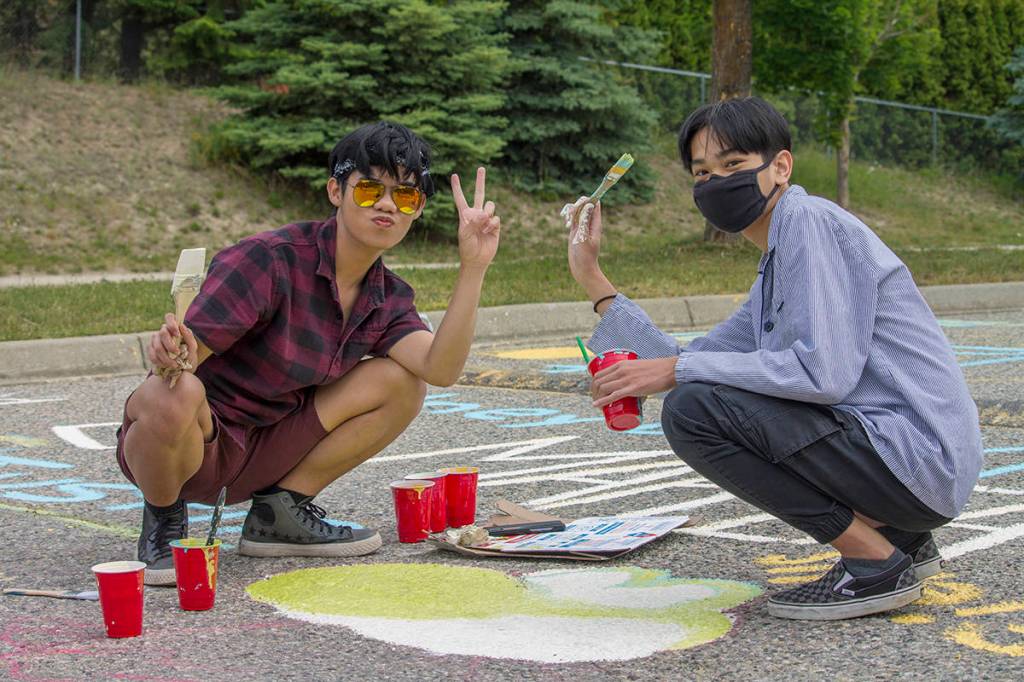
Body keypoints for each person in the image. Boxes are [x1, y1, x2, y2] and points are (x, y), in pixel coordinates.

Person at [566, 97, 982, 620]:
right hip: (906, 466)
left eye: (733, 165)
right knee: (699, 397)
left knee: (693, 412)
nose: (716, 182)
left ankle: (875, 561)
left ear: (779, 166)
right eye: (702, 173)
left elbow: (821, 374)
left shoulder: (809, 223)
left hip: (918, 459)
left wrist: (675, 371)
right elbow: (689, 360)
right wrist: (592, 276)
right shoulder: (777, 262)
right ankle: (902, 540)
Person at [117, 121, 502, 585]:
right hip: (198, 447)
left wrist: (474, 267)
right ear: (335, 191)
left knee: (401, 382)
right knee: (168, 393)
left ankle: (279, 512)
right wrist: (170, 355)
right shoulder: (270, 259)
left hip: (270, 449)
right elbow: (182, 363)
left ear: (416, 210)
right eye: (368, 190)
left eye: (405, 196)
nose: (386, 204)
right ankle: (163, 522)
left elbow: (440, 368)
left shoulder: (386, 296)